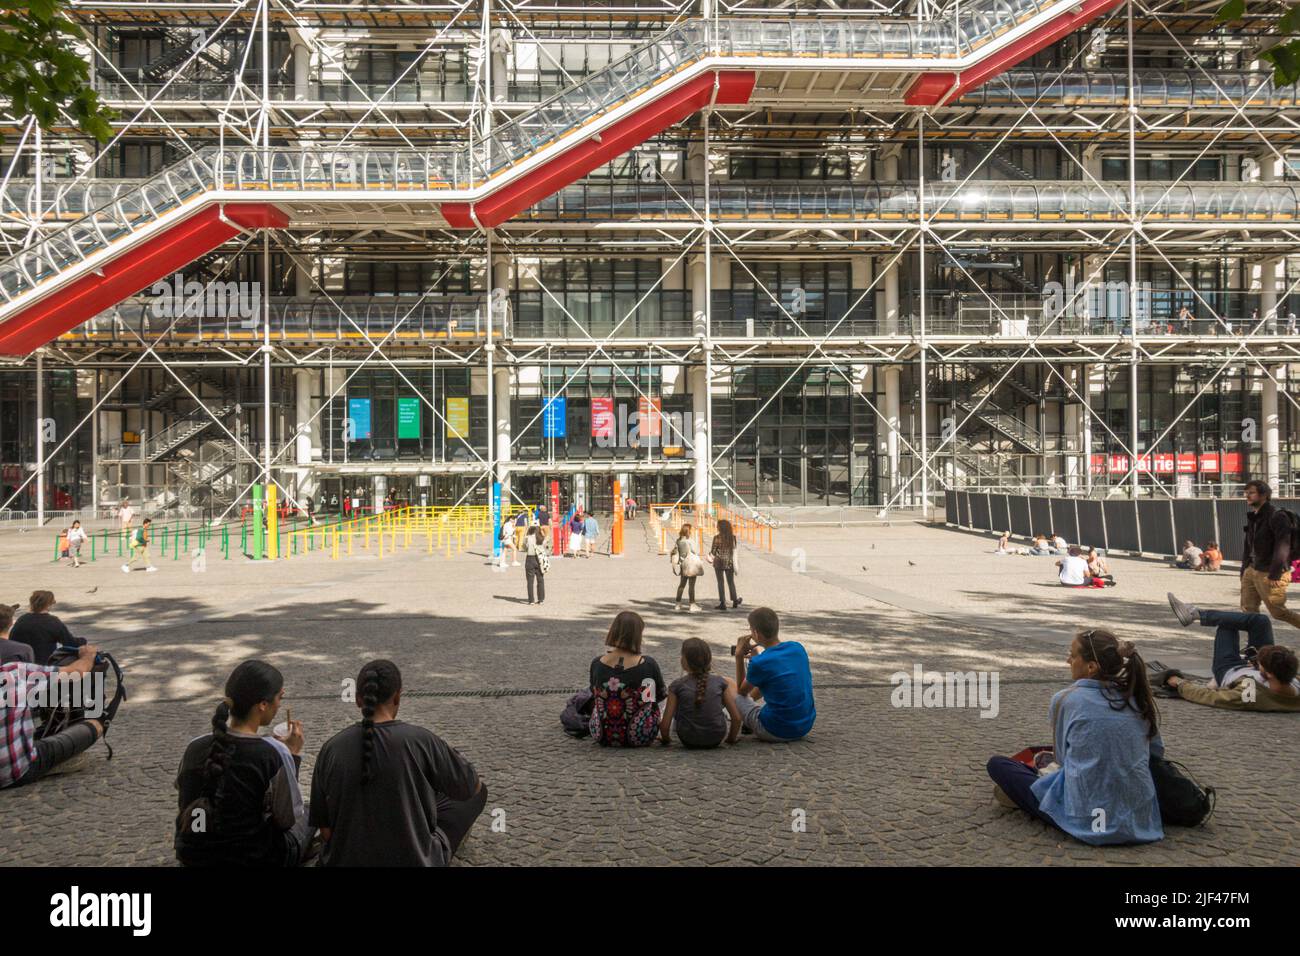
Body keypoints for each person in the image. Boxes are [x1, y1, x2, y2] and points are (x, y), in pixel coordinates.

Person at [986, 628, 1164, 845]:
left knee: (998, 765)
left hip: (1086, 819)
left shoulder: (1066, 699)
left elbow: (1062, 760)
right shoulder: (1138, 699)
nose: (1067, 660)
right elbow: (1156, 752)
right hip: (1140, 822)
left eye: (1073, 655)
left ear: (1091, 667)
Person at [310, 660, 487, 866]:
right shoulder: (421, 740)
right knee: (478, 792)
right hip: (416, 860)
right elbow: (470, 786)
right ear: (397, 696)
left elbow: (326, 831)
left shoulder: (331, 748)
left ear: (358, 700)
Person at [174, 660, 315, 866]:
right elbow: (287, 819)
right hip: (252, 858)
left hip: (194, 855)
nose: (280, 705)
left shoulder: (194, 747)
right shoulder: (272, 753)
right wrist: (291, 755)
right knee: (310, 813)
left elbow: (185, 797)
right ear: (263, 704)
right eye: (279, 697)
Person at [1162, 594, 1300, 711]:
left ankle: (1195, 614)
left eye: (1261, 663)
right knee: (1261, 621)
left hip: (1229, 668)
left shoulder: (1252, 694)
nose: (1259, 662)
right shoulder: (1291, 680)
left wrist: (1180, 683)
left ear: (1269, 674)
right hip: (1259, 668)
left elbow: (1209, 697)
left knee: (1227, 624)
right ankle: (1196, 614)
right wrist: (1258, 665)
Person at [0, 641, 109, 788]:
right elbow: (77, 672)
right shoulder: (15, 672)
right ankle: (57, 763)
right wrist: (88, 655)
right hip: (16, 771)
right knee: (95, 724)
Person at [733, 606, 816, 743]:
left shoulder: (761, 663)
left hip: (775, 730)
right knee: (769, 679)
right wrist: (756, 659)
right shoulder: (797, 648)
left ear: (756, 633)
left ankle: (740, 719)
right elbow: (773, 670)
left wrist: (738, 657)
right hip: (804, 726)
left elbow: (741, 691)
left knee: (736, 695)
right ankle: (749, 718)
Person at [589, 611, 666, 747]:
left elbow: (593, 692)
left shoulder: (597, 663)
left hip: (602, 733)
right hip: (640, 733)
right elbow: (658, 696)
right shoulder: (648, 664)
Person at [1239, 479, 1300, 630]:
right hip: (1251, 570)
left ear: (1264, 495)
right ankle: (1256, 646)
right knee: (1248, 610)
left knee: (1279, 612)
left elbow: (1283, 545)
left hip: (1269, 572)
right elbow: (1248, 546)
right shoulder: (1254, 516)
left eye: (1251, 493)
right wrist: (1244, 569)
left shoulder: (1277, 516)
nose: (1247, 496)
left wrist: (1275, 573)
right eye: (1246, 493)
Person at [660, 638, 741, 748]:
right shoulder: (720, 682)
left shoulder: (676, 685)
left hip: (687, 738)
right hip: (716, 737)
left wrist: (666, 740)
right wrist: (730, 739)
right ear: (709, 660)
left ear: (684, 661)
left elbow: (664, 727)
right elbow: (736, 719)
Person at [10, 591, 84, 665]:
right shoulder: (53, 622)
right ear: (48, 605)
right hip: (43, 665)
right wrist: (83, 641)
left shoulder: (22, 619)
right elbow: (70, 643)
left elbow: (12, 640)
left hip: (21, 664)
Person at [709, 518, 742, 611]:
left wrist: (709, 556)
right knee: (731, 582)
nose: (716, 527)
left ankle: (723, 602)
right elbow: (734, 550)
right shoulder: (733, 537)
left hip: (719, 562)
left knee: (720, 582)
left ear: (721, 527)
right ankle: (735, 600)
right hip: (729, 562)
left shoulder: (717, 538)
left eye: (718, 526)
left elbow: (713, 552)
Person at [673, 523, 703, 613]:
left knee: (682, 585)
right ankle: (692, 604)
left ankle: (677, 603)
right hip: (691, 565)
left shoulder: (678, 540)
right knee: (691, 586)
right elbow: (696, 551)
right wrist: (697, 539)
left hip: (683, 564)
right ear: (688, 531)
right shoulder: (689, 541)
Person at [523, 525, 547, 605]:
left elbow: (524, 548)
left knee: (530, 581)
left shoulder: (528, 538)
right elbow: (545, 546)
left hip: (530, 559)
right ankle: (541, 599)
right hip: (539, 560)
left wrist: (525, 535)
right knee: (540, 580)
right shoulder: (541, 538)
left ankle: (531, 600)